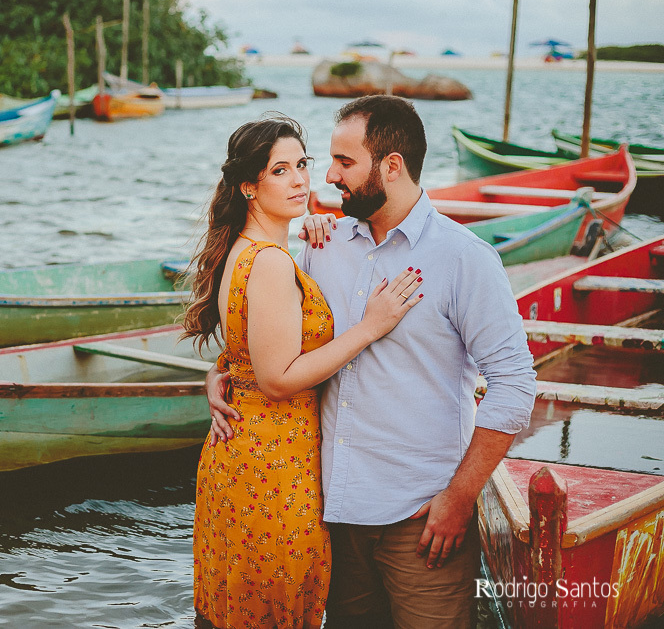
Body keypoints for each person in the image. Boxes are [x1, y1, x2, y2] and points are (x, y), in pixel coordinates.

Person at [207, 96, 537, 628]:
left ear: (391, 166)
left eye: (343, 162)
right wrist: (225, 376)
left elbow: (515, 386)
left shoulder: (464, 258)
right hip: (330, 513)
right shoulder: (322, 243)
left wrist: (459, 498)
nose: (328, 176)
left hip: (422, 519)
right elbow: (276, 343)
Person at [183, 113, 425, 628]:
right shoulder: (269, 262)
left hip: (245, 457)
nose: (299, 180)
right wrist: (370, 326)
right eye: (279, 171)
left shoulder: (248, 251)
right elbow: (277, 379)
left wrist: (223, 372)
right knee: (275, 608)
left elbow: (246, 353)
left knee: (238, 608)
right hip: (273, 467)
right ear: (249, 185)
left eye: (302, 165)